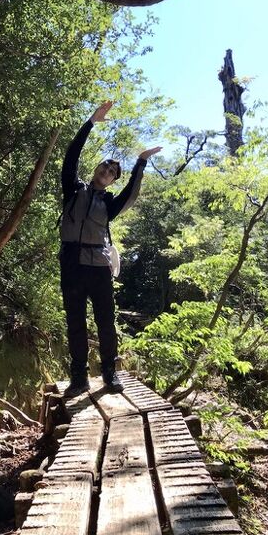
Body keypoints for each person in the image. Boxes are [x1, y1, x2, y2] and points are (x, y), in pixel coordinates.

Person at [59, 99, 161, 394]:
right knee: (75, 321)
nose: (107, 170)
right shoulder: (74, 189)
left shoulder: (109, 204)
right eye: (105, 166)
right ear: (96, 169)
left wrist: (140, 162)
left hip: (99, 267)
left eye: (112, 172)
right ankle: (79, 377)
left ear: (113, 180)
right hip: (71, 263)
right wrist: (90, 122)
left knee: (105, 322)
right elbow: (71, 156)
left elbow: (131, 193)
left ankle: (109, 374)